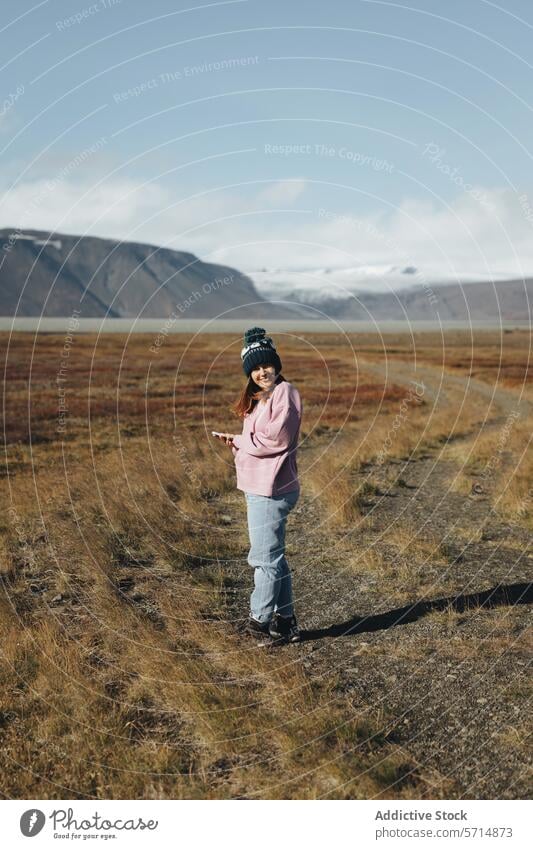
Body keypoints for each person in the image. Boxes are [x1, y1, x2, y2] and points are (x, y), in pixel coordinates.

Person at [214, 327, 303, 646]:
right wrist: (235, 443)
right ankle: (286, 622)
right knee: (274, 557)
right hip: (259, 486)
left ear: (276, 365)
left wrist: (241, 440)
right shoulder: (259, 398)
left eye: (266, 365)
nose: (262, 371)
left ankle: (259, 622)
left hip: (272, 489)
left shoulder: (285, 392)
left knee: (264, 559)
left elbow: (276, 440)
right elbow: (257, 443)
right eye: (255, 367)